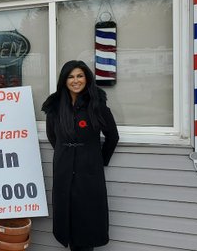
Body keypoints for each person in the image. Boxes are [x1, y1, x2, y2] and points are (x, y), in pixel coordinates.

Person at [41, 60, 119, 251]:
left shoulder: (96, 104)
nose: (76, 81)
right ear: (64, 80)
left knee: (87, 220)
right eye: (71, 76)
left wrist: (99, 160)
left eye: (80, 76)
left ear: (86, 78)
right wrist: (65, 151)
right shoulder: (56, 106)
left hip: (89, 171)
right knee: (67, 215)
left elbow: (112, 136)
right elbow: (53, 136)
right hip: (63, 168)